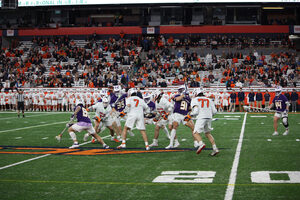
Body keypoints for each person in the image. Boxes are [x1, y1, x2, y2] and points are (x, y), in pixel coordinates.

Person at [189, 88, 219, 156]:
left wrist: (190, 114)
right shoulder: (209, 99)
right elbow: (215, 111)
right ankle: (215, 148)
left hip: (201, 117)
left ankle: (201, 143)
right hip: (209, 117)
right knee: (207, 133)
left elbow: (196, 111)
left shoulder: (195, 99)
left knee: (195, 133)